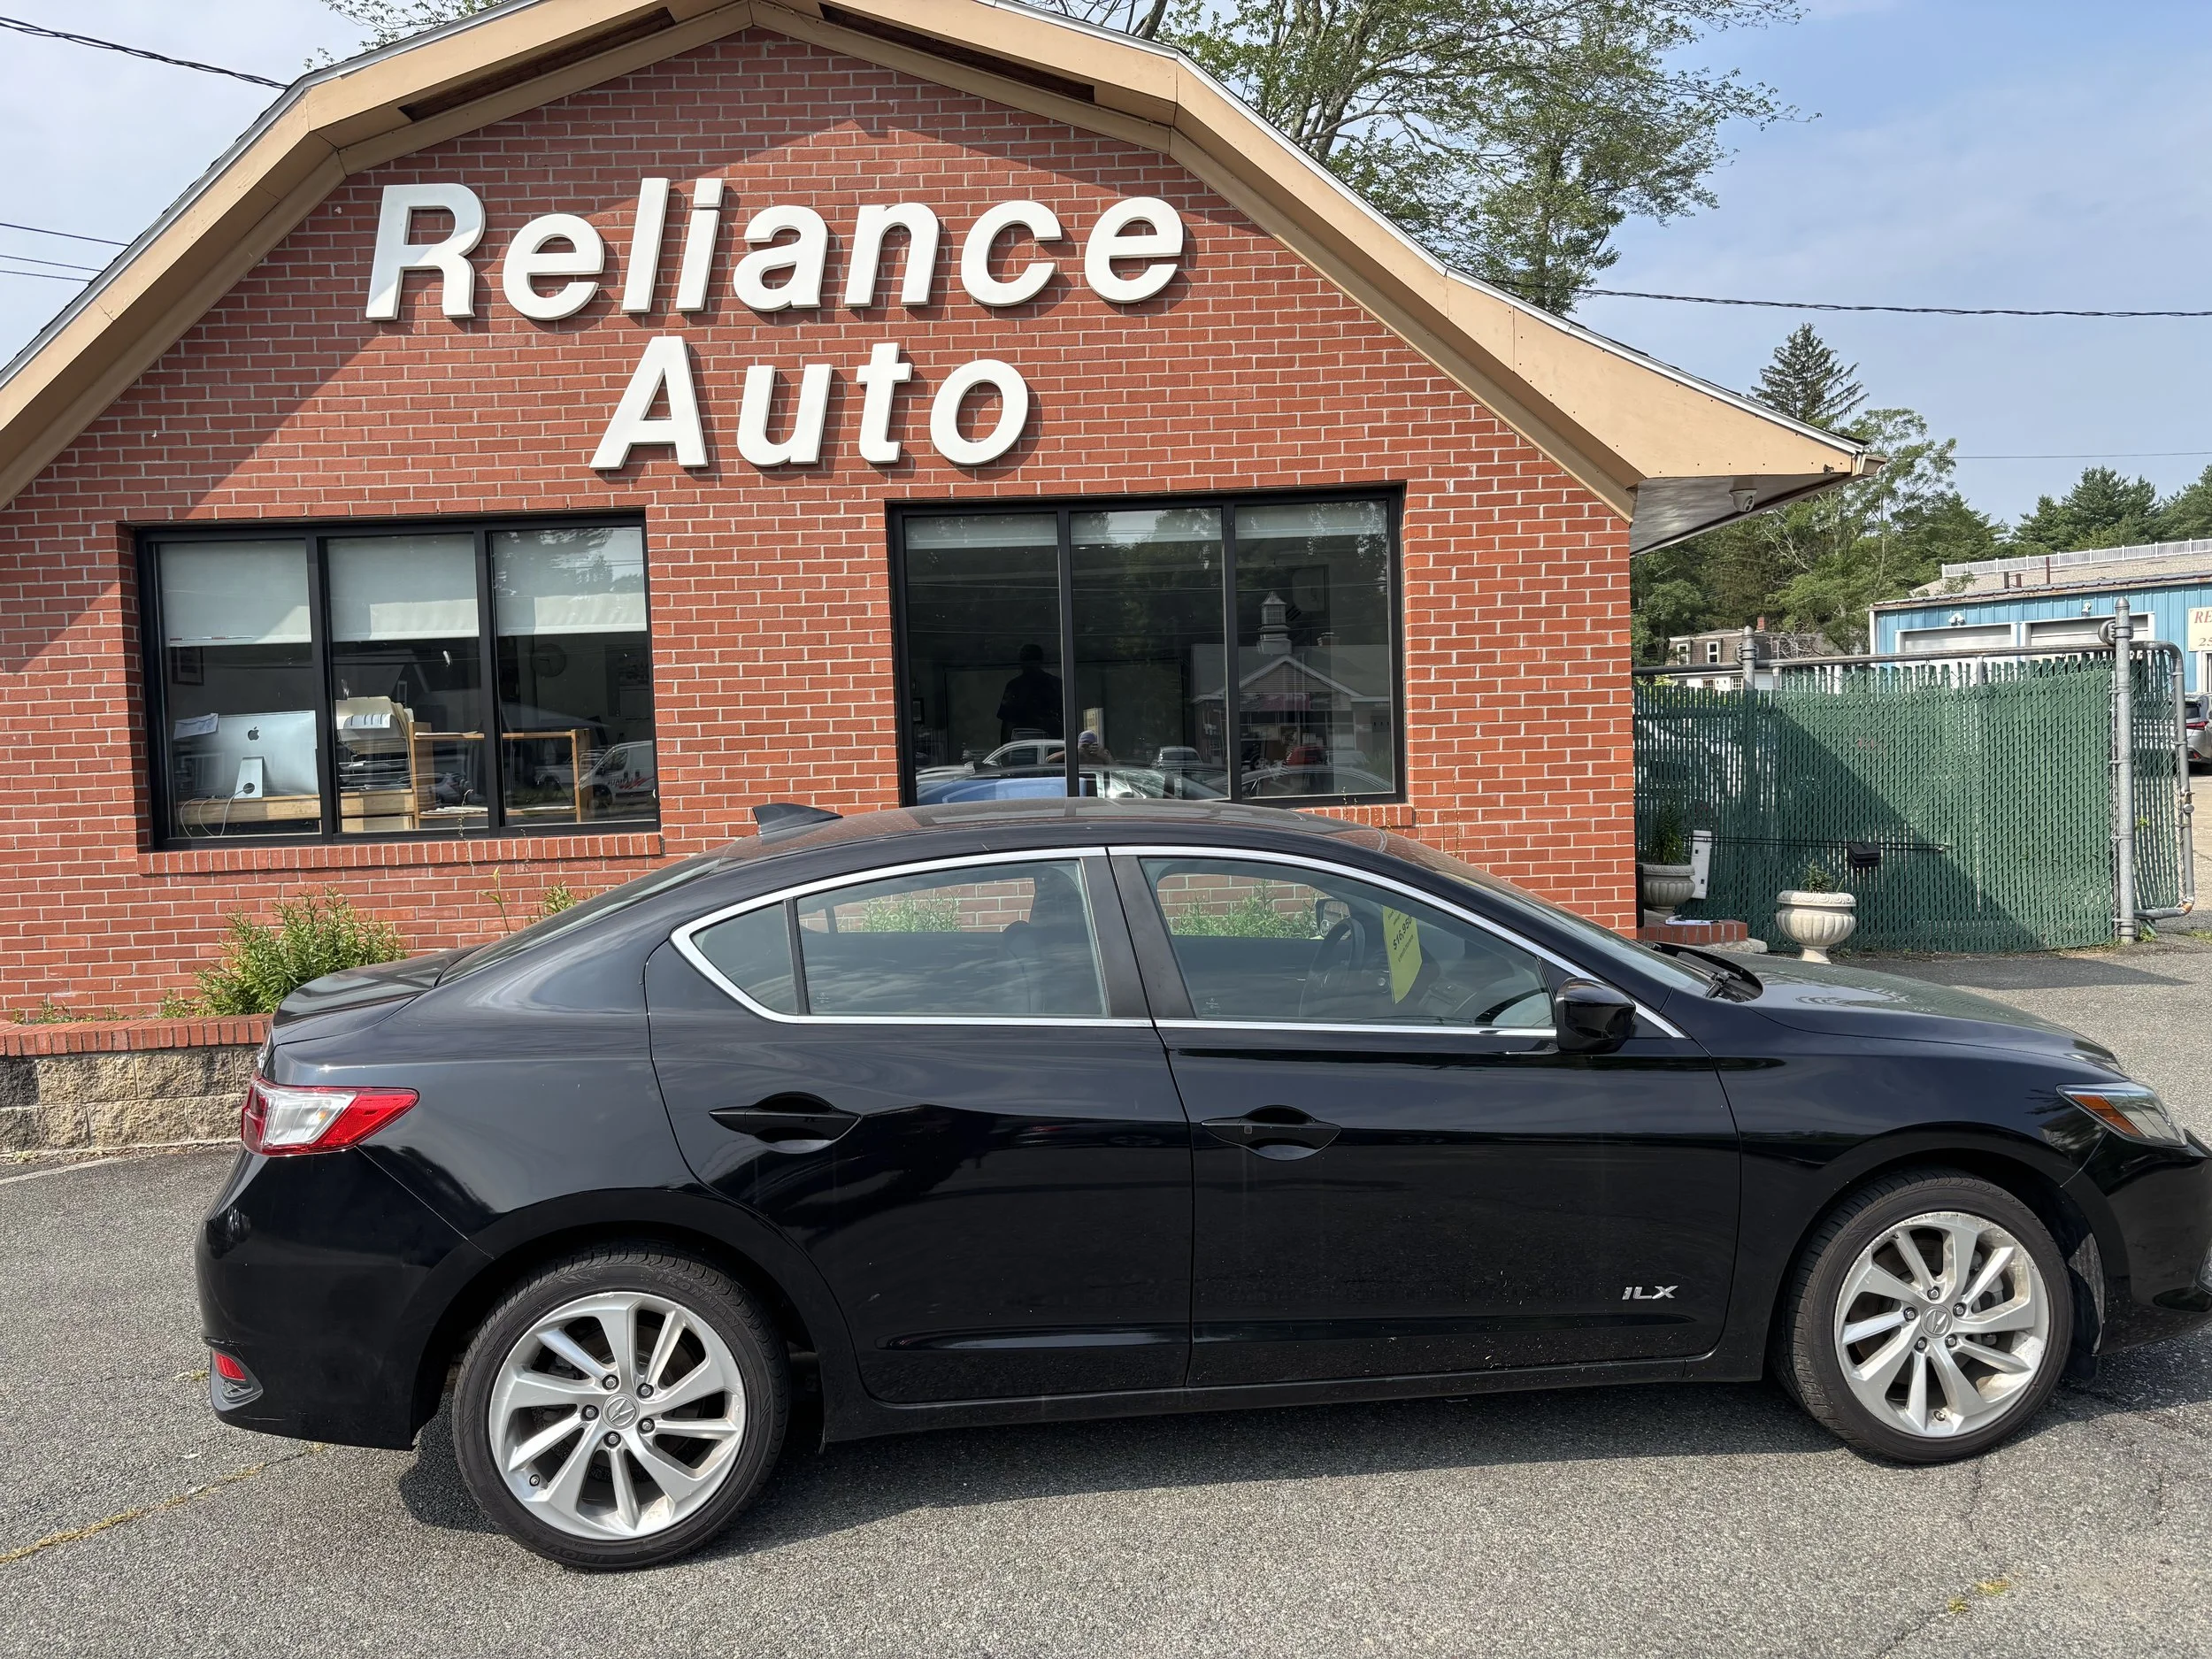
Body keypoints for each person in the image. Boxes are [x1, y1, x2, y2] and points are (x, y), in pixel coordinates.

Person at [995, 643, 1063, 742]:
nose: (1030, 666)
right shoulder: (1015, 686)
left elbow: (1064, 717)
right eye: (1027, 662)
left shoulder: (1054, 684)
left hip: (1049, 740)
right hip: (1022, 742)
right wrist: (1004, 749)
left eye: (1032, 662)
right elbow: (1007, 722)